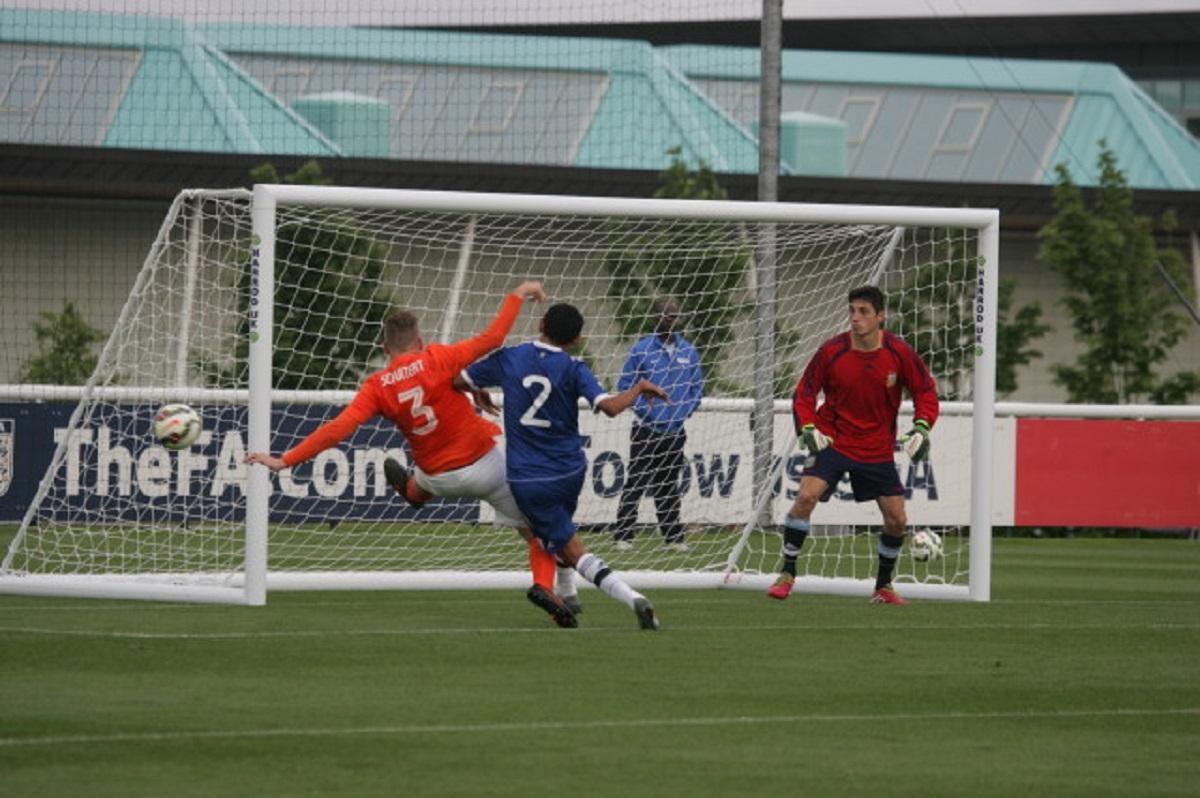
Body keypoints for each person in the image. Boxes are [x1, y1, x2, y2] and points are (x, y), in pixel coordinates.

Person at [243, 280, 582, 628]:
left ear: (383, 347)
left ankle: (412, 491)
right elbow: (493, 339)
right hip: (486, 467)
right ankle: (544, 586)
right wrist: (517, 295)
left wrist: (285, 460)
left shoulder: (376, 387)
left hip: (437, 476)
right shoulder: (438, 358)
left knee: (423, 477)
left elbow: (339, 429)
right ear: (419, 342)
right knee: (538, 530)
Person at [456, 302, 671, 630]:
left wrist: (476, 390)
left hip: (529, 478)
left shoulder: (511, 357)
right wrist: (639, 388)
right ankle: (568, 594)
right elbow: (610, 408)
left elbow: (458, 380)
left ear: (540, 322)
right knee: (556, 530)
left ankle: (633, 598)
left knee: (565, 546)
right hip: (570, 471)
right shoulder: (575, 368)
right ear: (575, 340)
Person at [768, 285, 939, 605]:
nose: (855, 318)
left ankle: (883, 586)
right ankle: (787, 573)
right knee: (805, 496)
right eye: (852, 311)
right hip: (833, 439)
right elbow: (804, 393)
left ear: (880, 316)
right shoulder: (832, 351)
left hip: (876, 448)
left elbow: (926, 392)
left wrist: (922, 426)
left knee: (897, 520)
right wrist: (807, 428)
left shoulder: (899, 353)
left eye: (863, 312)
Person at [613, 298, 703, 552]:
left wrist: (683, 411)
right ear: (655, 318)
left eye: (673, 316)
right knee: (637, 481)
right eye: (665, 315)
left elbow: (697, 388)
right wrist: (648, 412)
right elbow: (625, 387)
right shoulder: (641, 350)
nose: (669, 320)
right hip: (646, 428)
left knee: (668, 484)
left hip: (675, 430)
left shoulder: (689, 351)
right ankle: (624, 535)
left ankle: (673, 538)